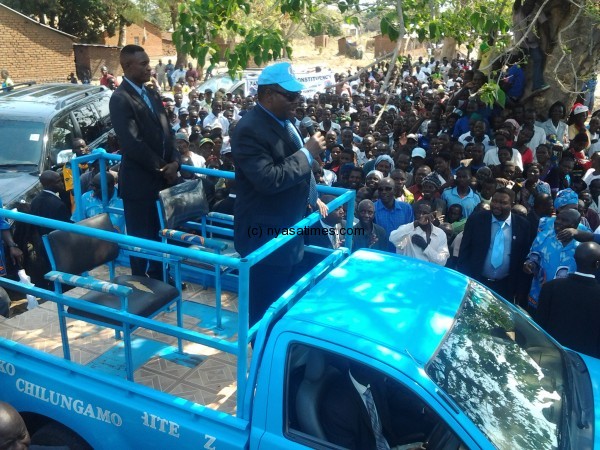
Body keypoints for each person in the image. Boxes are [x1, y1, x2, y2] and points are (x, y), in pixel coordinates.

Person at [232, 62, 326, 327]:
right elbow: (269, 179)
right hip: (264, 237)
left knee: (287, 306)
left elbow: (294, 166)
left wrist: (312, 195)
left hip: (291, 228)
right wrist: (307, 153)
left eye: (299, 95)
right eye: (291, 96)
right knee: (264, 313)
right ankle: (261, 363)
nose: (297, 102)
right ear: (268, 94)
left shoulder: (284, 121)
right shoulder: (250, 129)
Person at [109, 45, 180, 280]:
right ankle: (140, 284)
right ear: (127, 66)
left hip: (162, 182)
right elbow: (132, 143)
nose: (149, 67)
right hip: (140, 185)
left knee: (161, 234)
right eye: (143, 64)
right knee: (141, 239)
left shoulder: (151, 93)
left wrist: (176, 162)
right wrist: (163, 168)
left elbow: (167, 131)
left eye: (148, 62)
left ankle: (160, 278)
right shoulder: (120, 99)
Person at [458, 188, 531, 304]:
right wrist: (465, 279)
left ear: (512, 204)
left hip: (505, 286)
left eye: (502, 203)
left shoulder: (522, 225)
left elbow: (523, 256)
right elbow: (464, 252)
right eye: (494, 201)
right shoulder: (476, 220)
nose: (497, 205)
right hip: (477, 281)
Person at [535, 242, 600, 358]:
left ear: (574, 259)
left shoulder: (550, 287)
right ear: (597, 264)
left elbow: (540, 325)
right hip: (585, 363)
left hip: (549, 354)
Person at [524, 208, 581, 310]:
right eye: (558, 218)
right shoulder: (543, 237)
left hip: (564, 304)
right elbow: (533, 259)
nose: (558, 222)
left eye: (564, 220)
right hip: (538, 297)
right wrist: (529, 265)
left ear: (574, 226)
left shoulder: (581, 248)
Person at [373, 177, 414, 252]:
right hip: (379, 253)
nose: (384, 192)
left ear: (395, 191)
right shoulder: (372, 208)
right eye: (380, 189)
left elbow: (411, 231)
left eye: (388, 189)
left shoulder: (406, 208)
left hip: (401, 254)